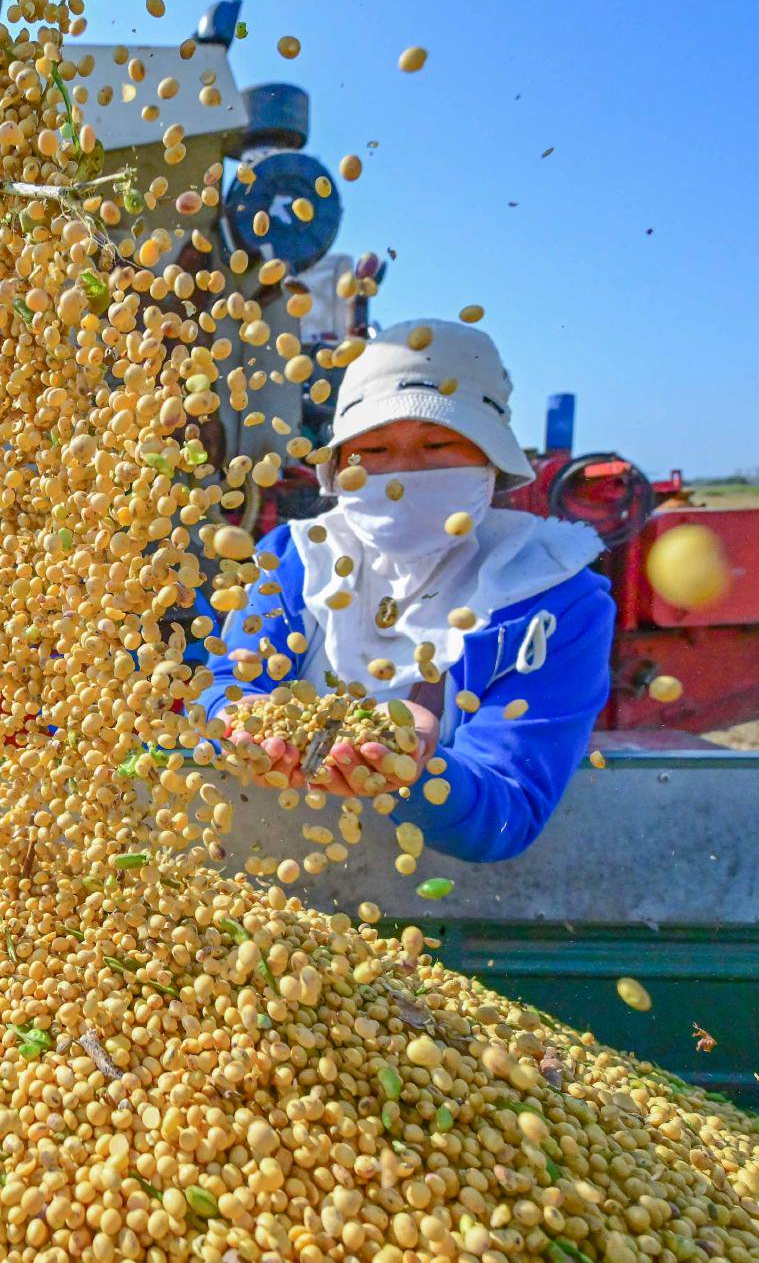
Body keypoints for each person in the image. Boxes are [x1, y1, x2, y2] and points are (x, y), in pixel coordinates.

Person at [196, 319, 614, 862]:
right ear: (340, 465)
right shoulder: (299, 556)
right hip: (273, 865)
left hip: (451, 897)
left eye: (438, 444)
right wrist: (233, 716)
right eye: (373, 449)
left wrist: (414, 767)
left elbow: (508, 810)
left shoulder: (552, 599)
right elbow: (229, 681)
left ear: (490, 461)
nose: (401, 476)